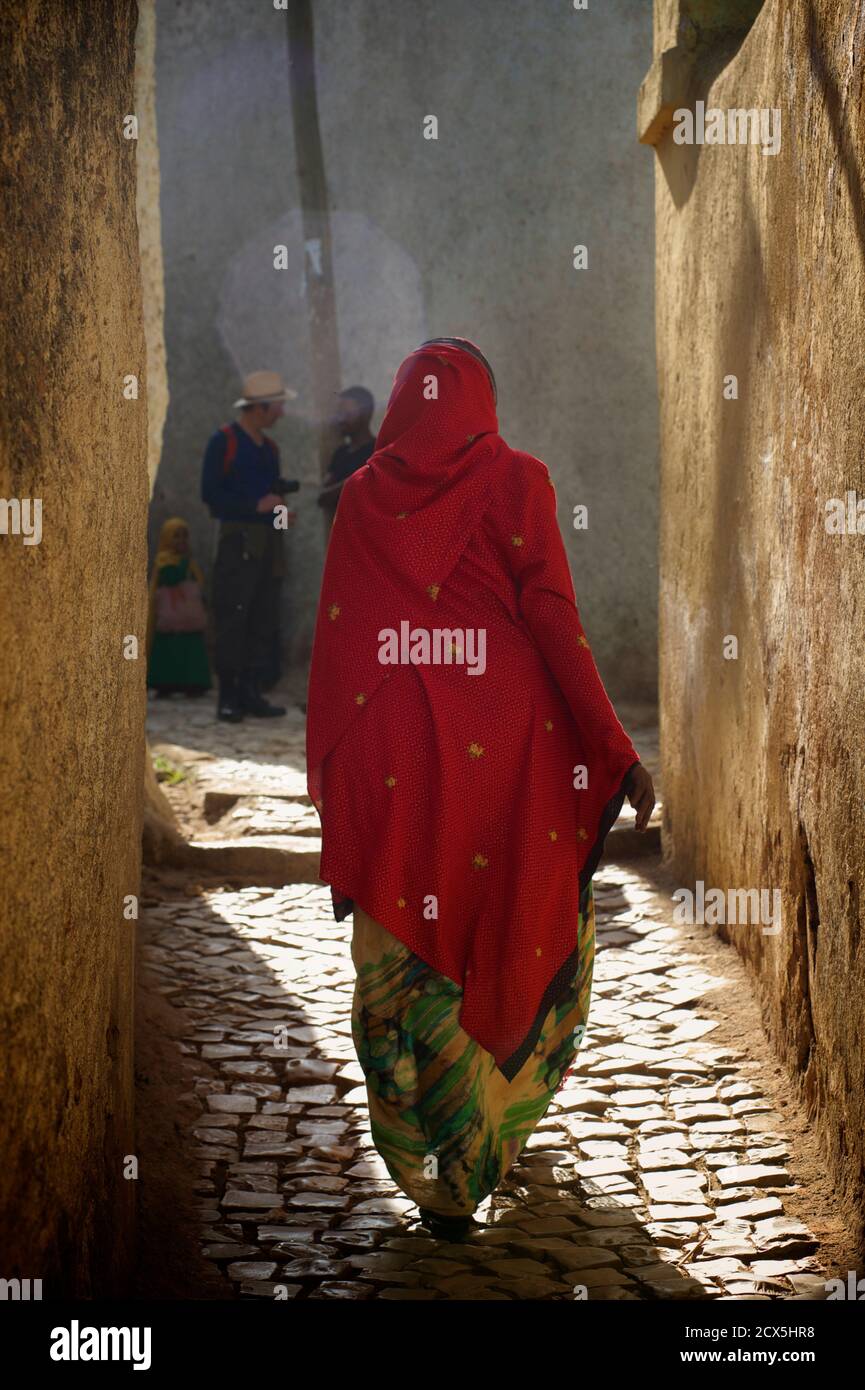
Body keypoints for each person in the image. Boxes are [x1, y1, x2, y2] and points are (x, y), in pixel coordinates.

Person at [306, 337, 655, 1242]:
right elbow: (550, 614)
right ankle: (483, 1141)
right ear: (482, 403)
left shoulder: (359, 497)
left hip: (394, 759)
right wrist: (613, 751)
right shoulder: (519, 479)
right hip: (508, 755)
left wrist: (338, 795)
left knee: (399, 954)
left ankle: (433, 1179)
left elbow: (339, 654)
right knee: (515, 922)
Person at [201, 370, 298, 722]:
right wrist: (254, 507)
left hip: (268, 547)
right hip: (236, 546)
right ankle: (228, 697)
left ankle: (251, 692)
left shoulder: (270, 449)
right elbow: (210, 496)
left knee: (262, 618)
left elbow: (272, 499)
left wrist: (281, 516)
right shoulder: (223, 442)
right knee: (233, 618)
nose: (282, 414)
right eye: (278, 406)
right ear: (262, 407)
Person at [146, 517, 212, 697]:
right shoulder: (164, 560)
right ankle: (165, 684)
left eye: (184, 537)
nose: (181, 541)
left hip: (188, 615)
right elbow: (171, 578)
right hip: (170, 616)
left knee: (190, 649)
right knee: (168, 651)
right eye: (176, 536)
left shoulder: (188, 561)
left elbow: (197, 580)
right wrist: (183, 563)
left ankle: (193, 684)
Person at [317, 386, 377, 527]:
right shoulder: (341, 453)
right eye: (339, 414)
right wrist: (358, 479)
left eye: (347, 414)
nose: (341, 420)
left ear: (365, 414)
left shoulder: (378, 451)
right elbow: (323, 497)